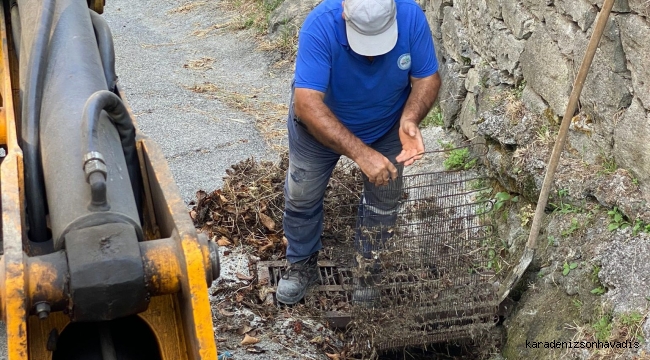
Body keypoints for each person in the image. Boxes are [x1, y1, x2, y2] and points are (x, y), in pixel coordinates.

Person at [276, 0, 441, 305]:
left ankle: (369, 271)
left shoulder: (410, 16)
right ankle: (301, 264)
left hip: (387, 124)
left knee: (384, 200)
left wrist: (410, 119)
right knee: (301, 194)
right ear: (344, 15)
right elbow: (307, 104)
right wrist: (362, 155)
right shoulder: (320, 25)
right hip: (319, 125)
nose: (372, 53)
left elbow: (427, 78)